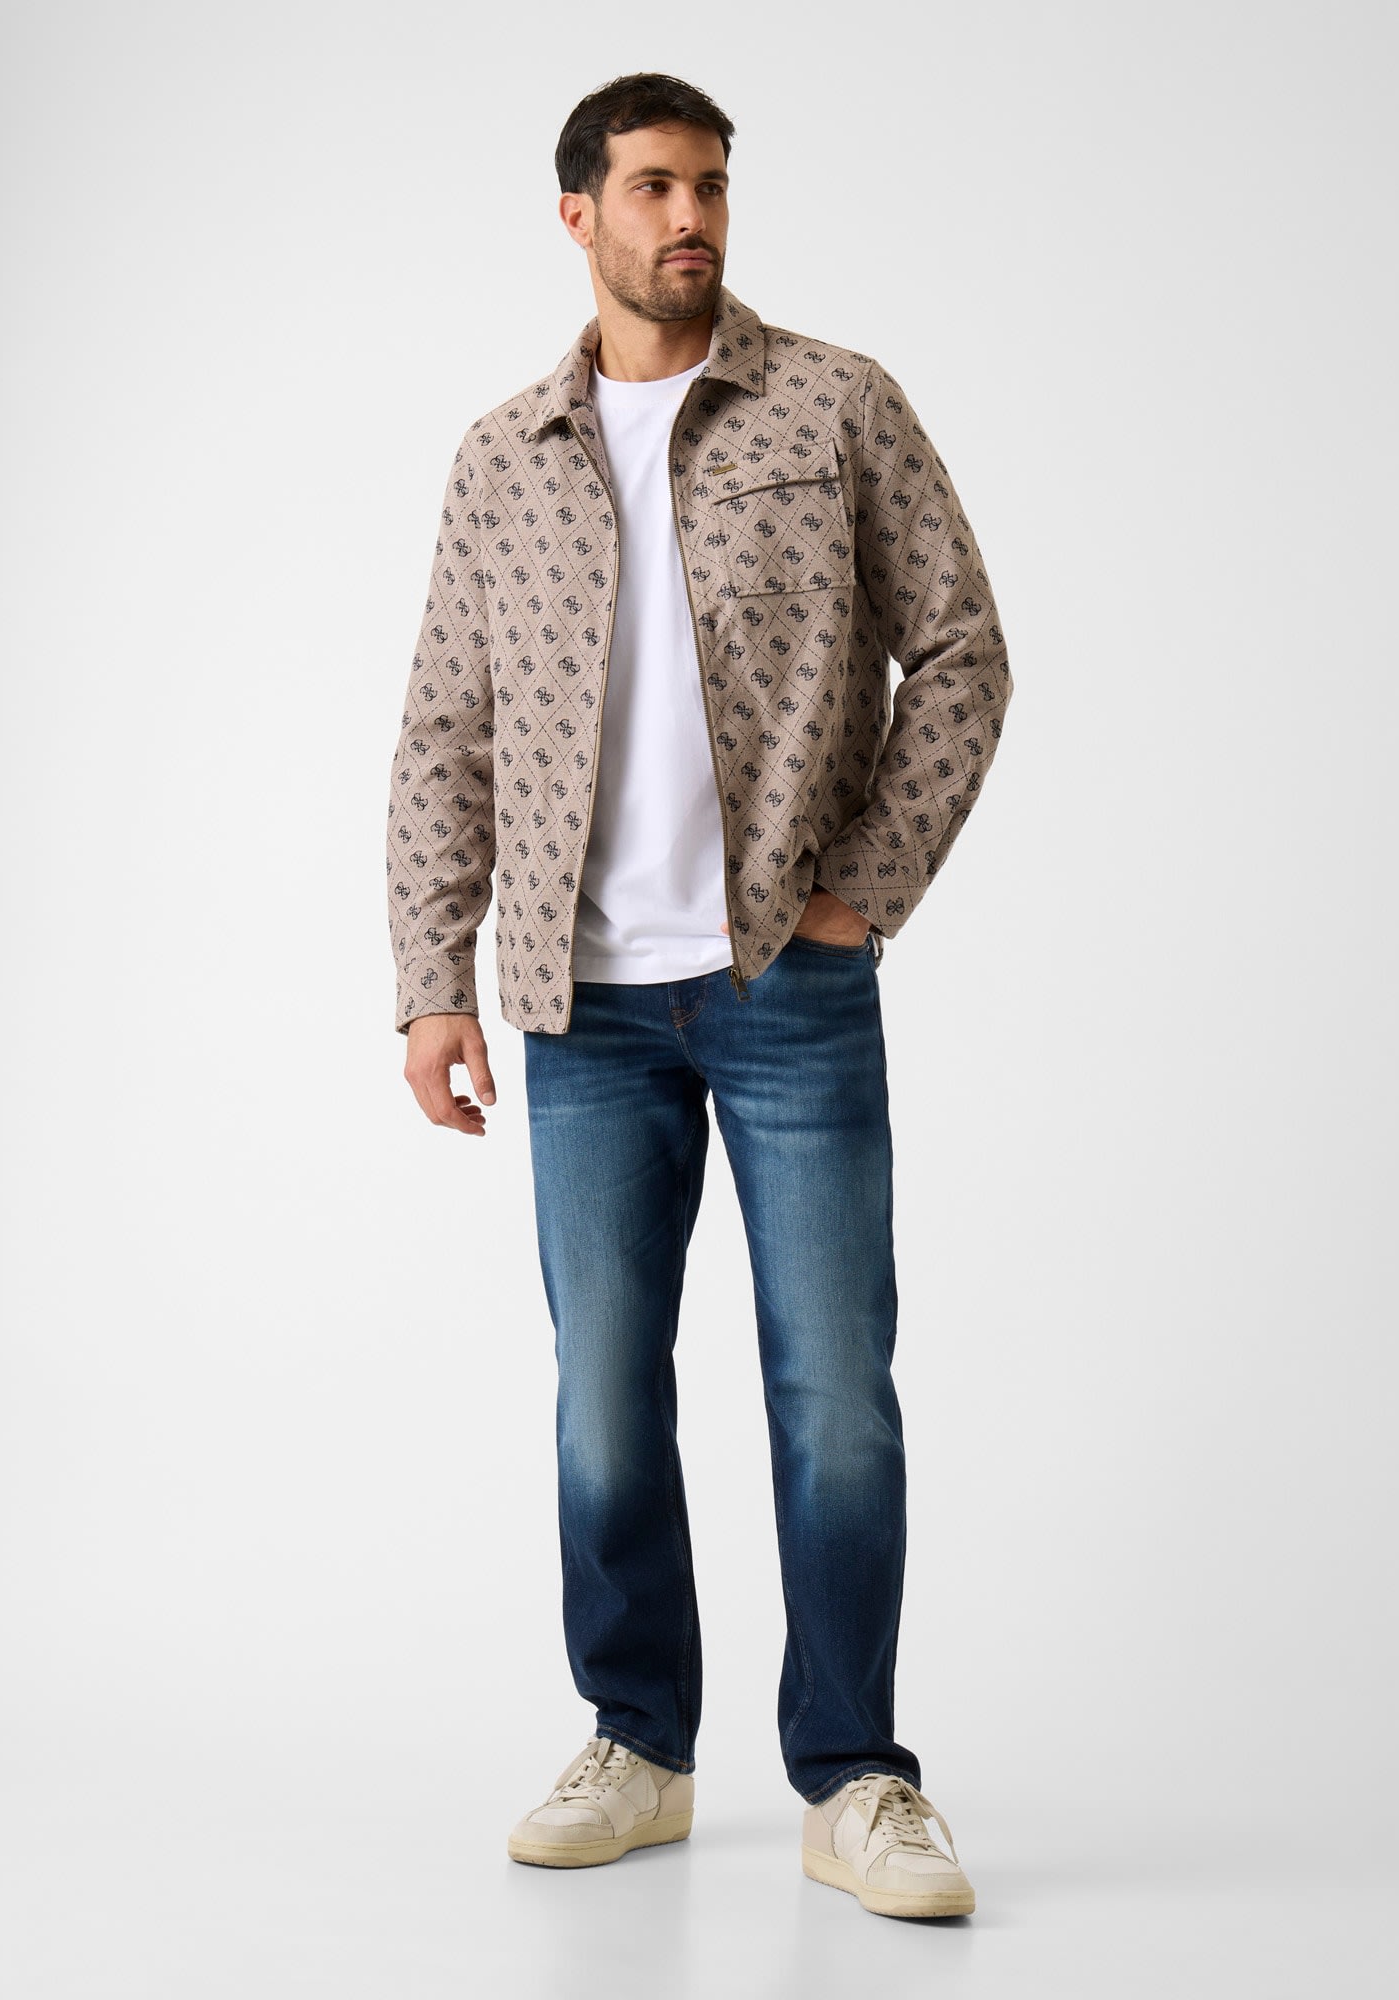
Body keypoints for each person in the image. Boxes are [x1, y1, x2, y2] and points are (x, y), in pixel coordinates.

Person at [386, 71, 1013, 1922]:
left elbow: (963, 651)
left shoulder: (835, 404)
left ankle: (857, 1776)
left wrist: (863, 891)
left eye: (713, 186)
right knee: (602, 1397)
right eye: (655, 186)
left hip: (783, 988)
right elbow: (444, 730)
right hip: (578, 1009)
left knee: (837, 1395)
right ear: (577, 212)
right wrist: (431, 980)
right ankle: (640, 1744)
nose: (692, 218)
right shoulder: (503, 455)